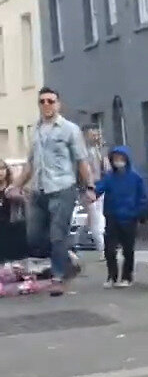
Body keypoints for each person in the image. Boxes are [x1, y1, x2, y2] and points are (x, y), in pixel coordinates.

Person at [7, 88, 96, 296]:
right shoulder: (35, 130)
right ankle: (67, 259)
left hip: (62, 189)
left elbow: (82, 161)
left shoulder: (69, 130)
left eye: (50, 101)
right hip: (38, 190)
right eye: (42, 101)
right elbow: (30, 165)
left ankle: (58, 277)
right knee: (34, 237)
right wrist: (16, 185)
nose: (46, 104)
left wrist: (89, 187)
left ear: (58, 104)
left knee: (57, 235)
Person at [94, 146, 148, 287]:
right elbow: (99, 189)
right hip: (112, 216)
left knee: (128, 249)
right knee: (110, 249)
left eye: (121, 159)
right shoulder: (109, 177)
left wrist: (141, 213)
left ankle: (127, 277)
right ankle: (112, 276)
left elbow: (142, 197)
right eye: (115, 159)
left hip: (129, 218)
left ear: (126, 159)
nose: (118, 161)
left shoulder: (135, 178)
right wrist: (92, 193)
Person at [83, 126, 108, 254]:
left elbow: (107, 168)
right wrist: (88, 187)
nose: (96, 137)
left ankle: (106, 247)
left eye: (97, 134)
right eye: (92, 135)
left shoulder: (103, 150)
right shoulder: (84, 153)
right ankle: (102, 248)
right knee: (95, 220)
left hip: (104, 186)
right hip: (93, 187)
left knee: (102, 218)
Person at [0, 160, 28, 263]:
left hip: (14, 225)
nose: (0, 172)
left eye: (2, 169)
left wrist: (18, 197)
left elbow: (26, 203)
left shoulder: (14, 188)